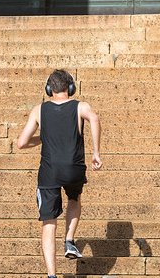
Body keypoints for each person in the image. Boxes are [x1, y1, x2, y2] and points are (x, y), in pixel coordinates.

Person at [16, 69, 102, 278]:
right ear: (71, 88)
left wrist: (41, 139)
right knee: (74, 198)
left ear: (48, 89)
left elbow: (21, 143)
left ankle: (52, 275)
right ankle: (70, 241)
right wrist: (96, 153)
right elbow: (95, 119)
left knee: (49, 222)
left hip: (49, 172)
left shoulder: (39, 111)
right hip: (74, 168)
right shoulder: (81, 106)